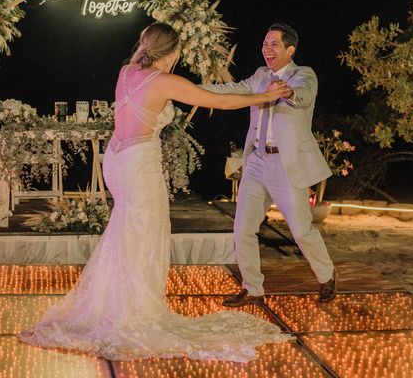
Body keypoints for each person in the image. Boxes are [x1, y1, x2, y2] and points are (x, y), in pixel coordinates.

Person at [18, 23, 291, 361]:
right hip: (138, 165)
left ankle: (115, 305)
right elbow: (218, 101)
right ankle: (134, 314)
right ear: (173, 52)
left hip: (116, 160)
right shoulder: (165, 81)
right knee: (145, 234)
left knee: (125, 233)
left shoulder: (125, 71)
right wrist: (266, 96)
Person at [201, 23, 337, 307]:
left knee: (300, 230)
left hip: (286, 166)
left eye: (274, 44)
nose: (267, 49)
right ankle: (252, 288)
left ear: (290, 49)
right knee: (243, 228)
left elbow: (304, 96)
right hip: (257, 161)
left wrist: (286, 93)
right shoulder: (261, 75)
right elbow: (231, 89)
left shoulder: (304, 75)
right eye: (264, 43)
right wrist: (190, 89)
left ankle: (326, 274)